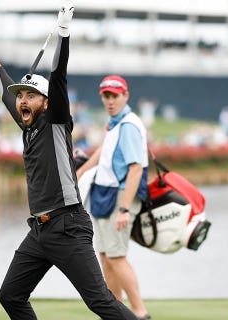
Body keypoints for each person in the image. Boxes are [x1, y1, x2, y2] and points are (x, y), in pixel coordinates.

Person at [0, 3, 138, 320]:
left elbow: (58, 75)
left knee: (100, 302)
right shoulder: (28, 125)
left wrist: (63, 33)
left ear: (47, 102)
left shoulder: (55, 122)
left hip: (68, 227)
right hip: (38, 231)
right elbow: (5, 95)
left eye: (30, 96)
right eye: (21, 96)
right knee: (11, 296)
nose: (22, 100)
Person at [76, 75, 151, 320]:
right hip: (106, 194)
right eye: (106, 96)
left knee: (117, 257)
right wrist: (82, 171)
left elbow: (136, 169)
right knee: (106, 257)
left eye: (114, 96)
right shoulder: (115, 122)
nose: (110, 101)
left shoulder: (128, 124)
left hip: (120, 195)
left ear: (125, 96)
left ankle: (140, 312)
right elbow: (103, 150)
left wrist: (125, 209)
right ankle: (117, 311)